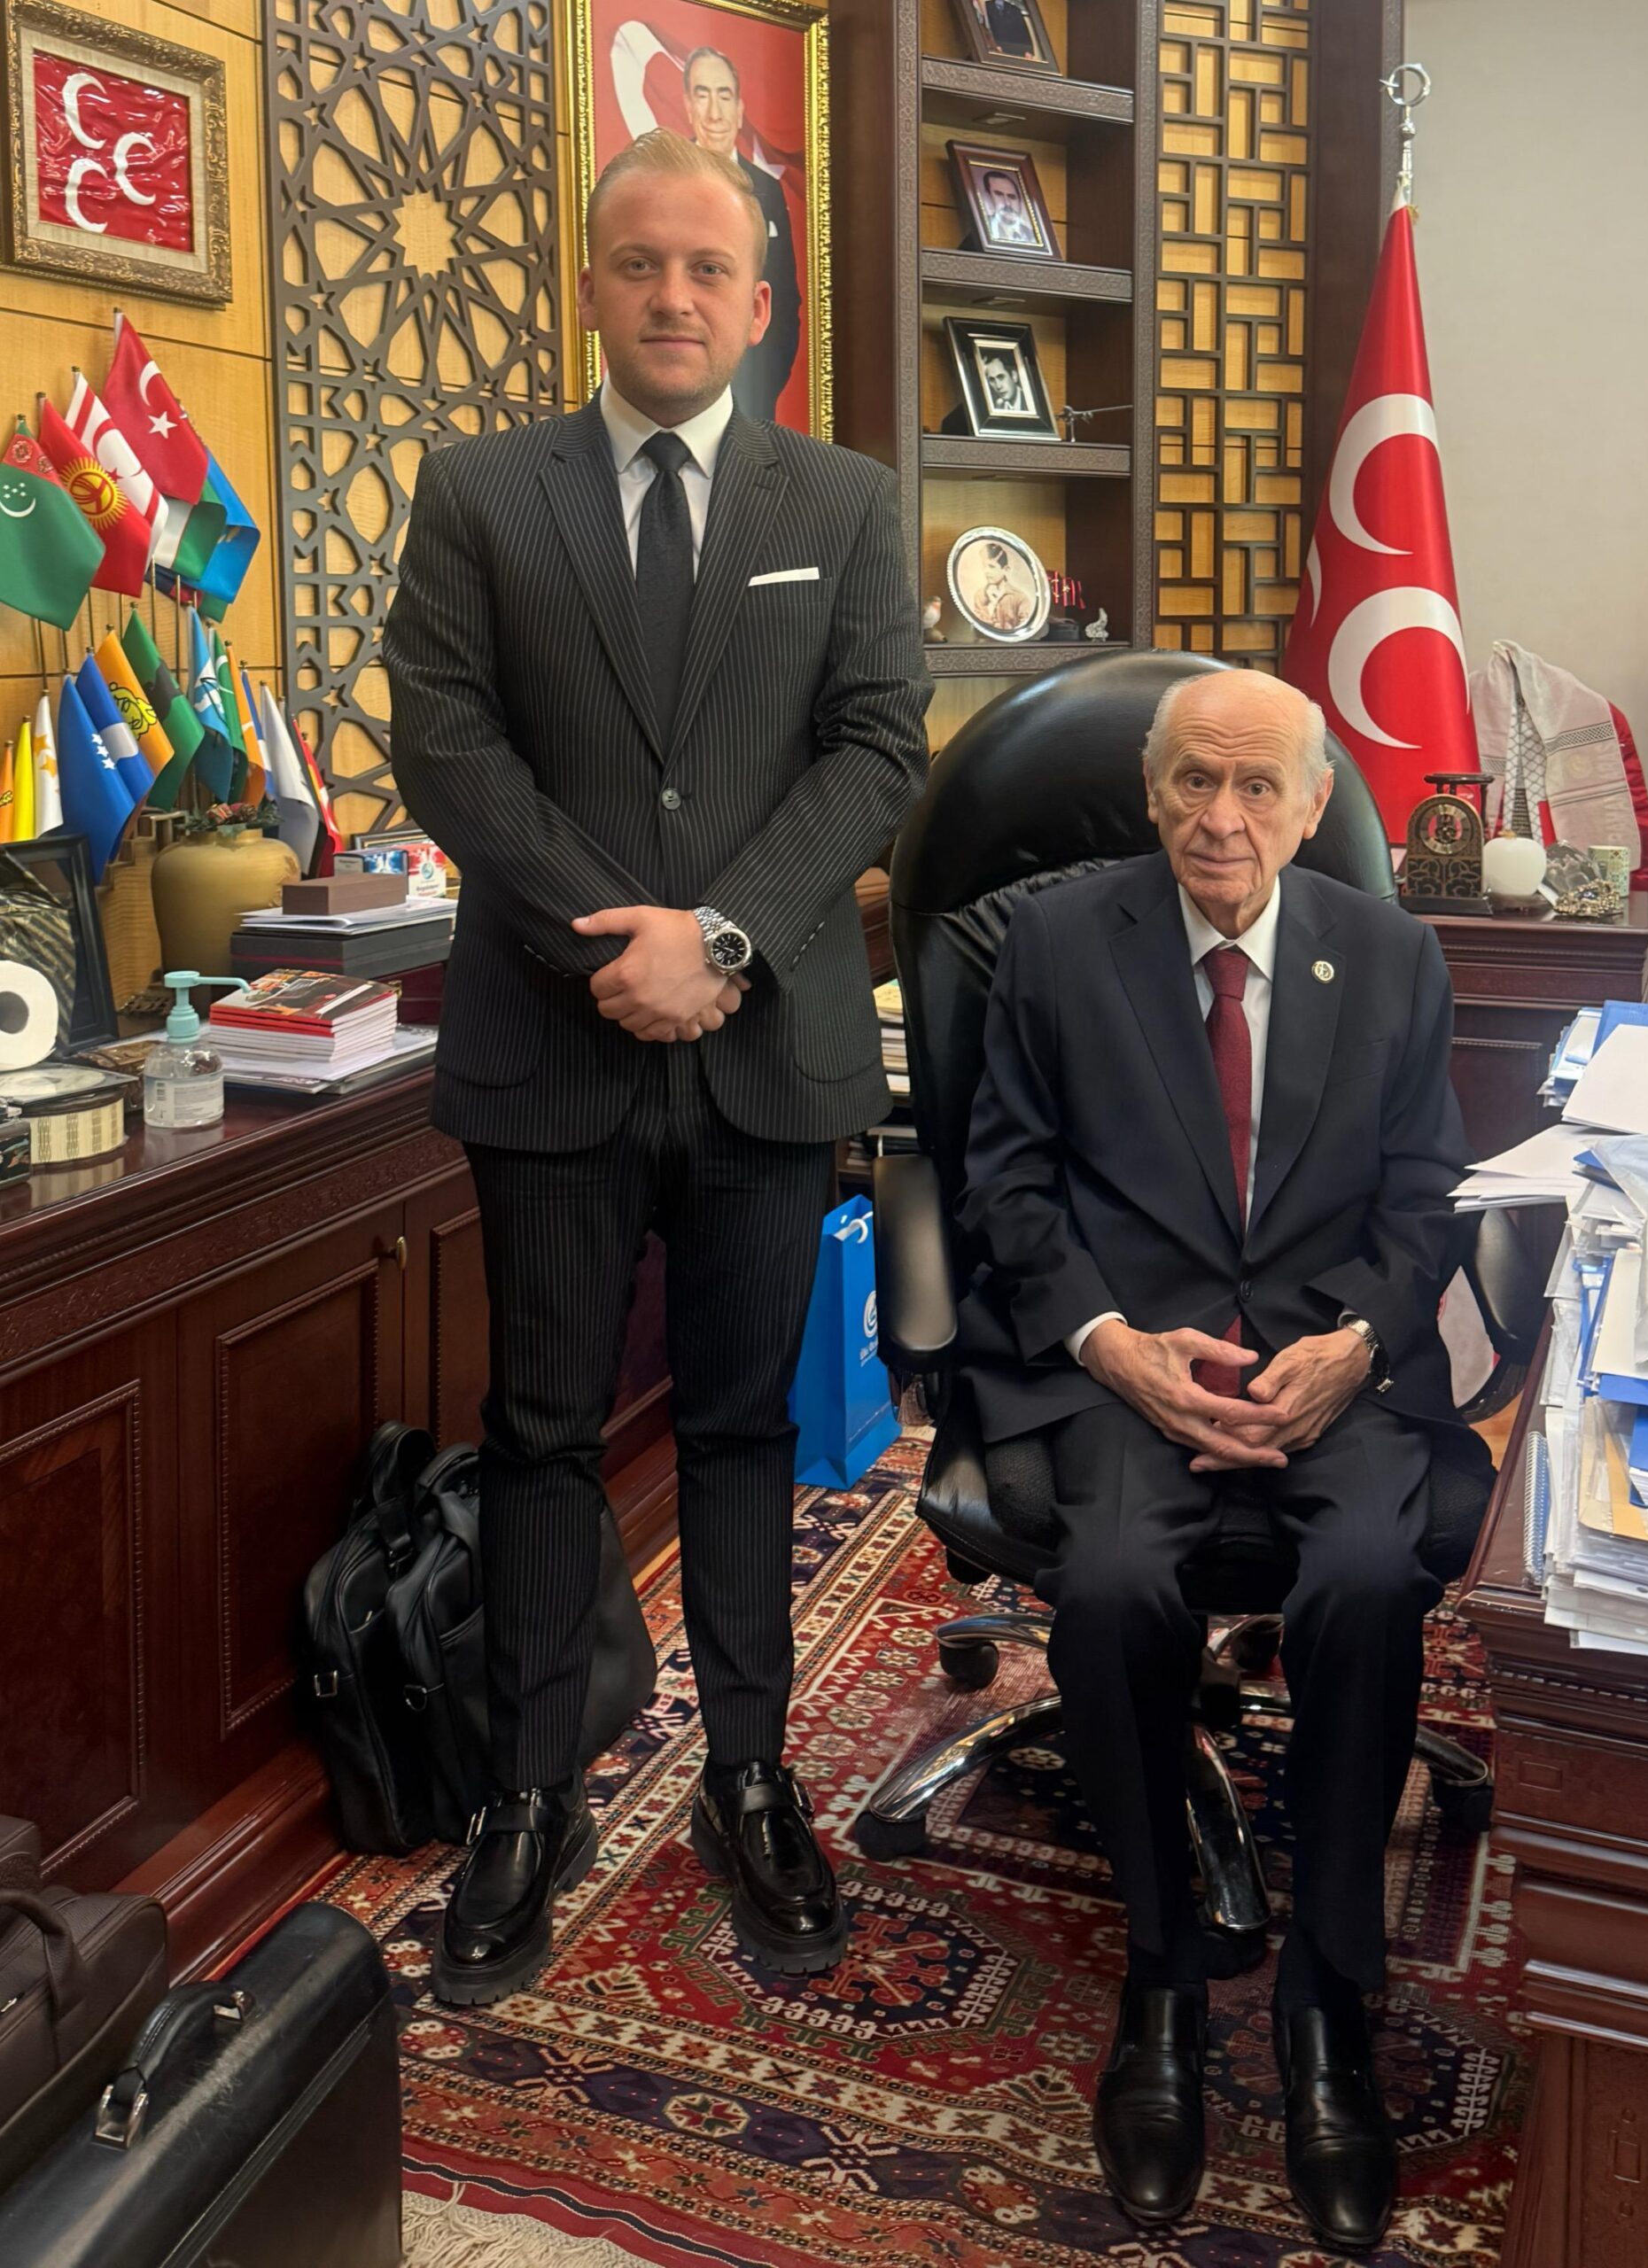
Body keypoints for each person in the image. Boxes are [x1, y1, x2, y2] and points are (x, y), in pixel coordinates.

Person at [385, 128, 930, 2008]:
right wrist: (612, 939)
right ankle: (527, 1794)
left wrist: (730, 937)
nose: (674, 296)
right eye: (640, 263)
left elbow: (877, 745)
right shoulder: (481, 490)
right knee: (541, 1428)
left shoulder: (843, 499)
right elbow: (445, 742)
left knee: (743, 1425)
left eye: (708, 268)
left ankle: (748, 1774)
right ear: (591, 286)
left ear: (759, 302)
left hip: (766, 1043)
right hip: (552, 1042)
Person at [958, 670, 1480, 2249]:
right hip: (1133, 1366)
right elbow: (1005, 1185)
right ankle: (1162, 1980)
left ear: (1315, 807)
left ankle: (1328, 1996)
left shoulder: (1390, 955)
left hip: (1331, 1362)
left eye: (1258, 787)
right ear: (1150, 790)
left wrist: (1358, 1345)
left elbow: (1425, 1197)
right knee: (1111, 1585)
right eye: (1193, 780)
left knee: (1368, 1574)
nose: (1221, 818)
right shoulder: (1055, 946)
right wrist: (1108, 1343)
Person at [682, 46, 800, 424]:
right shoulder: (662, 185)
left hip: (752, 402)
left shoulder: (768, 189)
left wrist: (763, 386)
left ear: (739, 109)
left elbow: (785, 301)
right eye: (702, 94)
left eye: (724, 96)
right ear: (688, 105)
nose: (714, 113)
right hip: (678, 398)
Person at [979, 169, 1039, 249]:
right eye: (999, 194)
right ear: (988, 197)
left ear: (1019, 200)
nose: (1007, 203)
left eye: (1012, 197)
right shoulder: (981, 229)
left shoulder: (1033, 235)